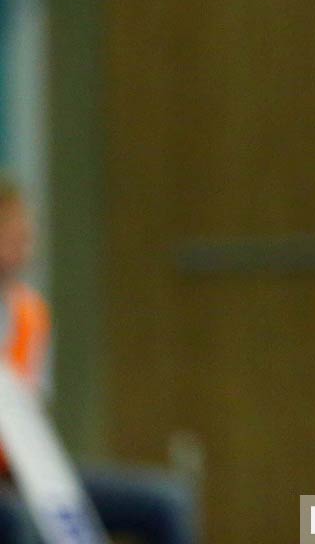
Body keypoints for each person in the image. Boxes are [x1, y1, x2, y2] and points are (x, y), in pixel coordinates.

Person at [0, 181, 195, 544]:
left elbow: (31, 418)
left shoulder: (31, 314)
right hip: (10, 494)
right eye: (11, 233)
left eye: (27, 233)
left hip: (24, 472)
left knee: (165, 501)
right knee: (16, 521)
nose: (25, 244)